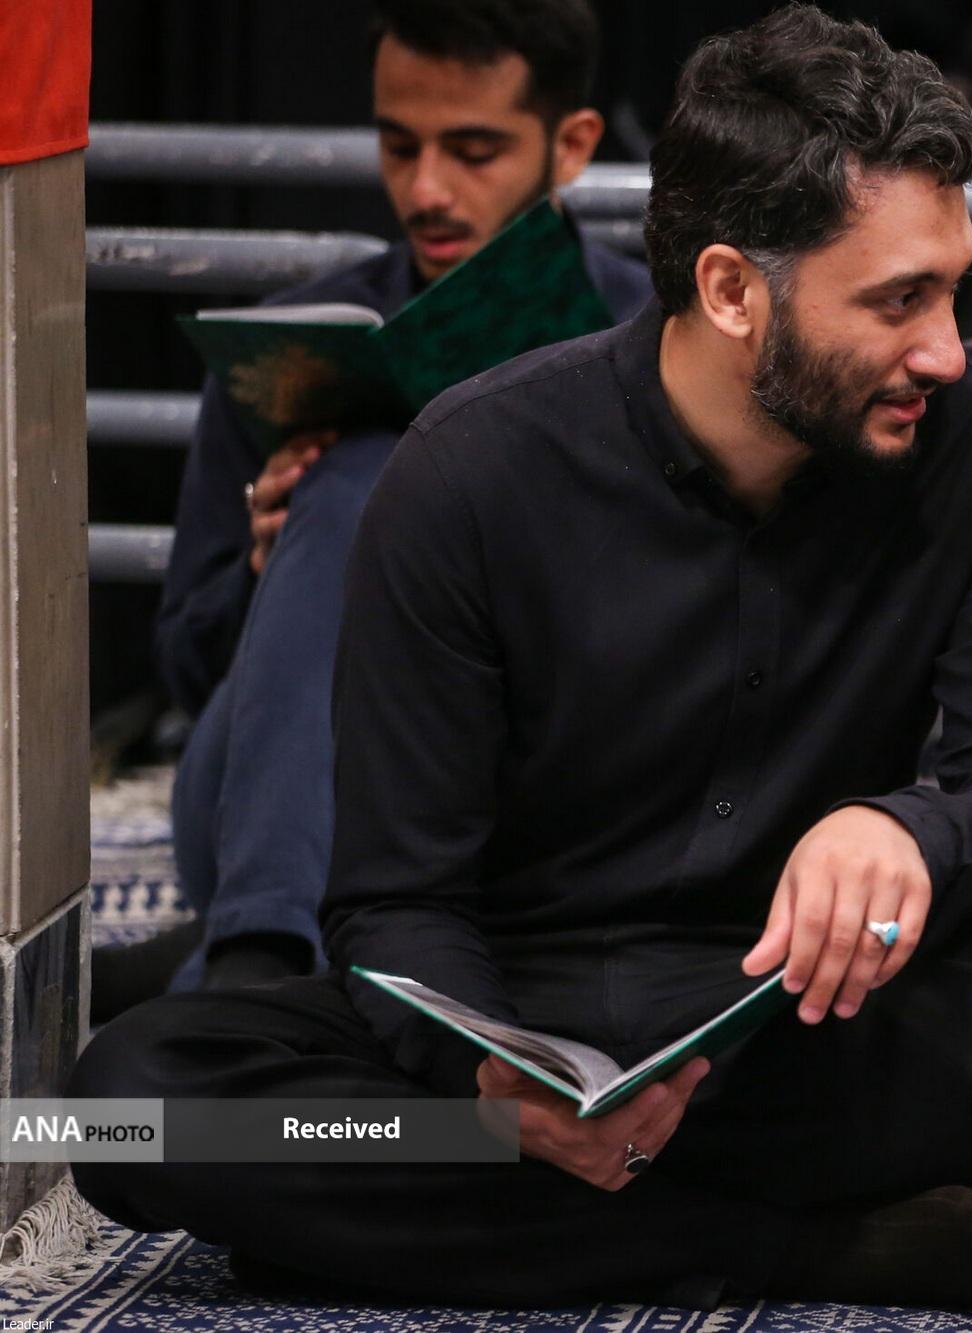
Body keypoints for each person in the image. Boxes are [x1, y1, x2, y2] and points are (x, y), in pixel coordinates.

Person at [70, 5, 972, 1318]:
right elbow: (394, 903)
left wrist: (910, 829)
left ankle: (432, 1224)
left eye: (952, 288)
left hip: (789, 1021)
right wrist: (487, 1088)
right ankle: (797, 1247)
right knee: (118, 1113)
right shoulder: (472, 469)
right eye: (897, 300)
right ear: (732, 291)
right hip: (504, 1011)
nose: (947, 350)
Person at [114, 0, 653, 1010]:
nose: (427, 189)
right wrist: (272, 570)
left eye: (474, 151)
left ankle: (246, 984)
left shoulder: (651, 343)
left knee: (387, 473)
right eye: (399, 146)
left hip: (533, 788)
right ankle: (260, 961)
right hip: (276, 798)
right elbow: (190, 671)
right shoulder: (298, 344)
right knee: (356, 470)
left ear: (573, 144)